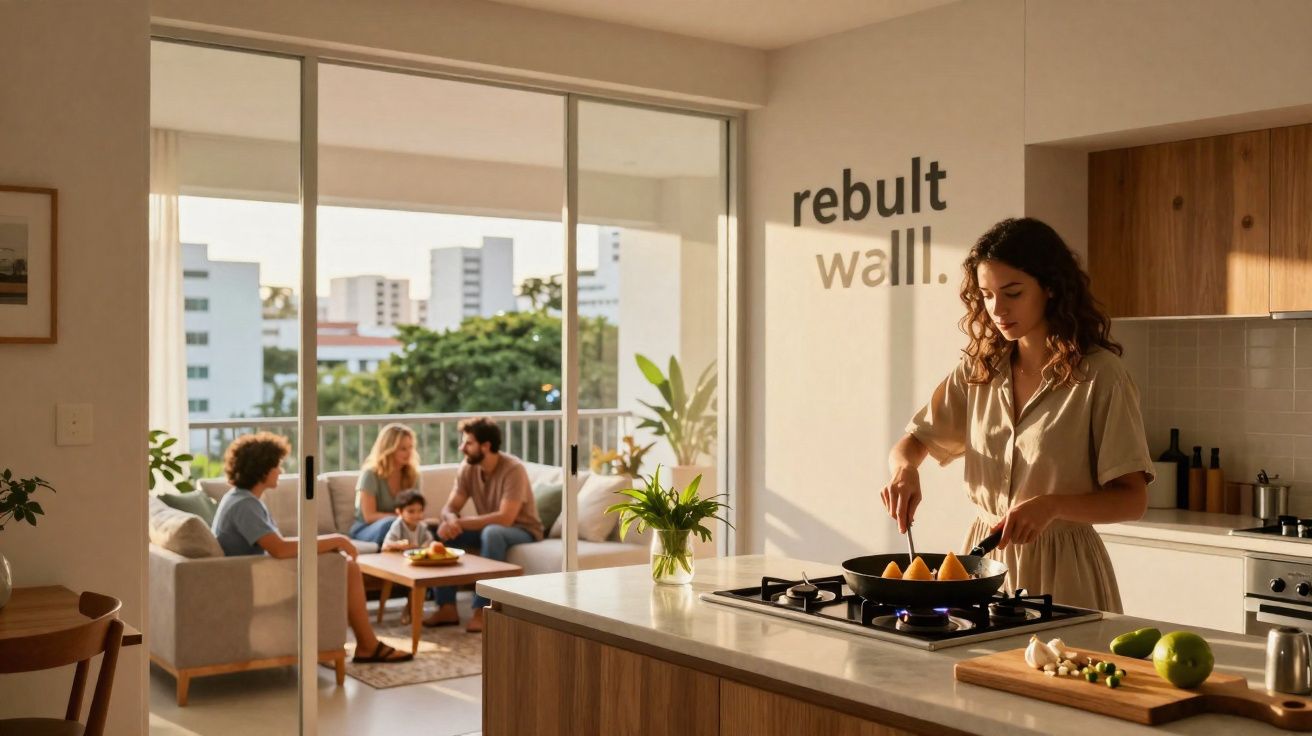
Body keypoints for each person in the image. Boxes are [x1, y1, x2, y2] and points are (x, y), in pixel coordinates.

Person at [879, 217, 1153, 612]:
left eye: (1012, 293)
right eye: (987, 295)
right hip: (983, 568)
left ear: (1051, 288)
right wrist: (904, 470)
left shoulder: (1101, 377)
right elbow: (912, 443)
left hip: (1065, 571)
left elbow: (1132, 500)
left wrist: (1052, 505)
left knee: (1061, 672)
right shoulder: (979, 370)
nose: (997, 309)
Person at [211, 432, 412, 663]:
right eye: (277, 466)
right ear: (262, 469)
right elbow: (279, 549)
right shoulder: (245, 505)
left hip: (257, 573)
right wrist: (337, 539)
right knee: (347, 567)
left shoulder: (242, 499)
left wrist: (327, 544)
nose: (280, 471)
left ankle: (365, 643)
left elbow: (276, 546)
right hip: (254, 581)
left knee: (342, 562)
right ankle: (367, 645)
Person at [427, 417, 543, 633]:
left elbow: (505, 518)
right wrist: (450, 520)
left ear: (486, 446)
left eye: (468, 443)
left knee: (492, 533)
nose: (462, 448)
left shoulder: (513, 469)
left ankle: (483, 609)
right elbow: (449, 507)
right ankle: (446, 606)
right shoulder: (468, 468)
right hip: (491, 528)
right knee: (440, 531)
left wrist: (459, 521)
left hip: (523, 530)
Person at [349, 423, 421, 547]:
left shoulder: (412, 475)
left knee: (429, 529)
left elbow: (416, 510)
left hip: (402, 527)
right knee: (391, 524)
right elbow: (369, 516)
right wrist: (403, 518)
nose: (409, 453)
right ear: (389, 449)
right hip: (366, 529)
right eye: (403, 449)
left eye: (410, 447)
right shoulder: (370, 474)